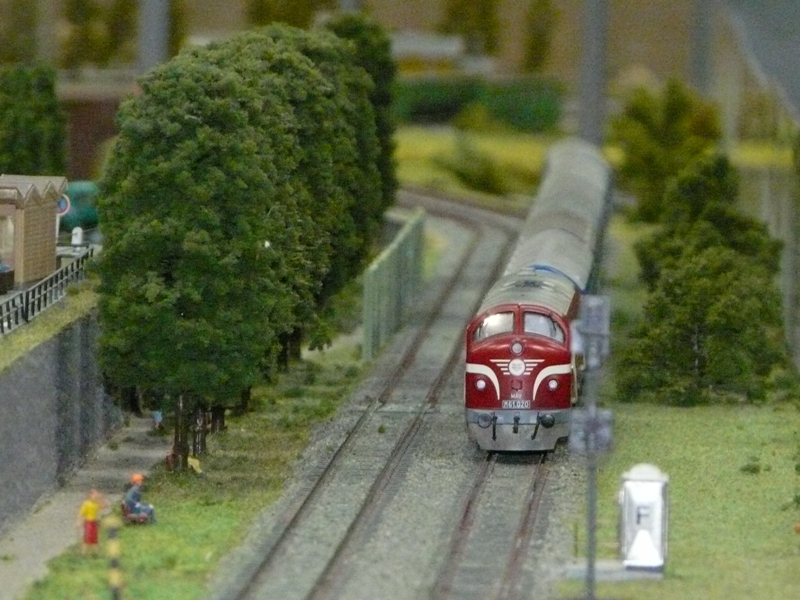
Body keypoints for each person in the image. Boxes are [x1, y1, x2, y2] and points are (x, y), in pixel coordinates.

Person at [76, 489, 106, 554]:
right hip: (88, 522)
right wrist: (79, 521)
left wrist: (101, 498)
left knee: (95, 538)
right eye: (94, 495)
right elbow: (81, 513)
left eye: (96, 495)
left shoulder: (96, 503)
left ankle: (95, 553)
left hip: (95, 522)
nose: (95, 497)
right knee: (87, 537)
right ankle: (83, 552)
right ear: (90, 495)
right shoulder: (86, 503)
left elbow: (103, 506)